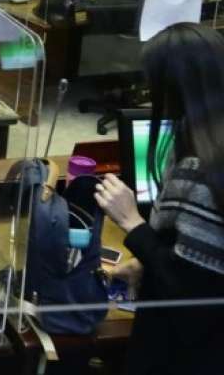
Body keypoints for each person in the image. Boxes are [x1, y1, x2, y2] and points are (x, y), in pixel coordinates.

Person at [93, 23, 224, 374]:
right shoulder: (208, 141)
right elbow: (201, 263)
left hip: (187, 352)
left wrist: (131, 222)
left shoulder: (200, 170)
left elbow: (188, 292)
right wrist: (146, 264)